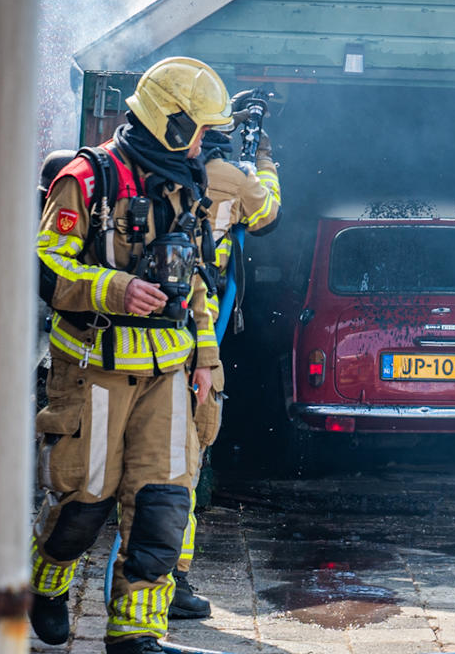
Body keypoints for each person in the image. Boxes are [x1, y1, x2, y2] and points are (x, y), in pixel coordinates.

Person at [28, 58, 231, 653]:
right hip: (94, 367)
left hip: (168, 370)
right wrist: (114, 289)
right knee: (83, 505)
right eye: (196, 128)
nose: (202, 141)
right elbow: (47, 265)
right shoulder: (87, 178)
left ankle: (136, 634)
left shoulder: (186, 187)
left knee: (163, 507)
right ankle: (46, 585)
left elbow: (198, 284)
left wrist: (206, 361)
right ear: (167, 122)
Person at [168, 90, 282, 621]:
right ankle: (172, 577)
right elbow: (269, 214)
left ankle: (161, 575)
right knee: (186, 456)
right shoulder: (231, 179)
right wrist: (263, 161)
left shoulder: (161, 174)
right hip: (198, 322)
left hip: (176, 321)